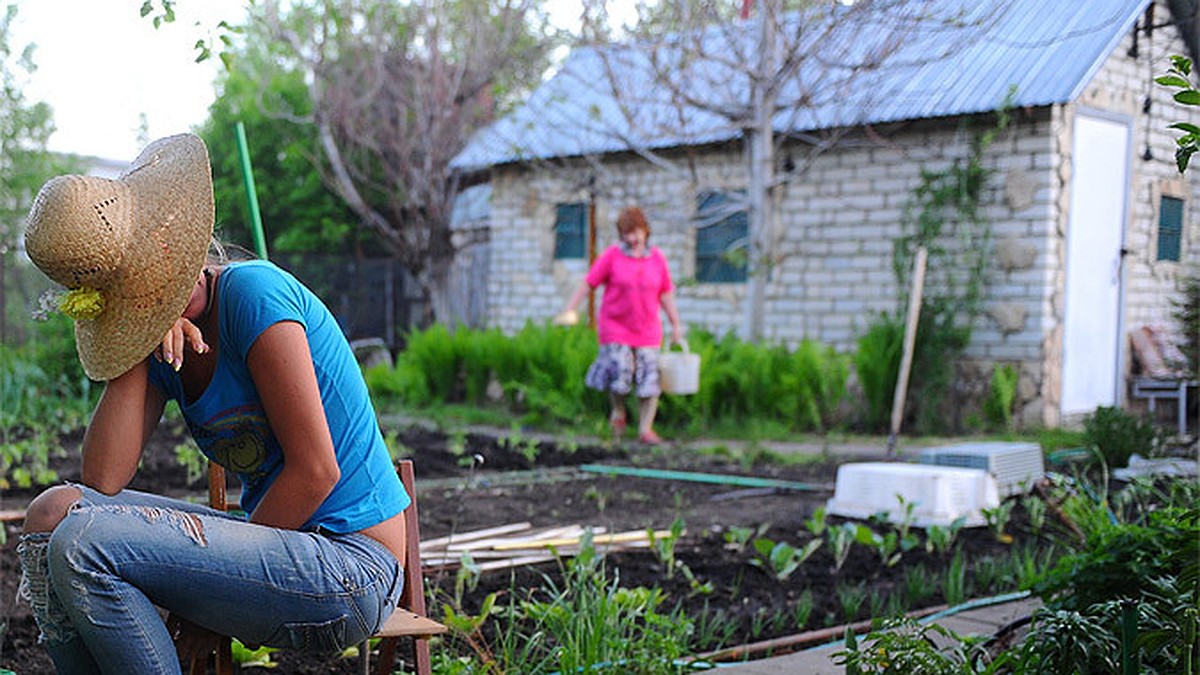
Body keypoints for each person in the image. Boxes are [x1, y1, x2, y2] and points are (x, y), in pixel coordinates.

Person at [17, 134, 410, 673]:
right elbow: (102, 478)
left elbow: (316, 472)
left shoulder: (253, 296)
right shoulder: (162, 345)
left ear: (167, 244)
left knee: (87, 542)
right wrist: (134, 341)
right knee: (52, 516)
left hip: (349, 567)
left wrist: (216, 610)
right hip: (275, 549)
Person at [556, 206, 682, 444]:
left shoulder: (657, 259)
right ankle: (619, 411)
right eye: (626, 234)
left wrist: (676, 325)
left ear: (645, 231)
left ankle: (646, 430)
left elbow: (666, 294)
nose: (631, 239)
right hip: (616, 327)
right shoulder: (612, 256)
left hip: (647, 330)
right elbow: (588, 283)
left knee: (649, 381)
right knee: (620, 374)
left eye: (635, 232)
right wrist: (570, 309)